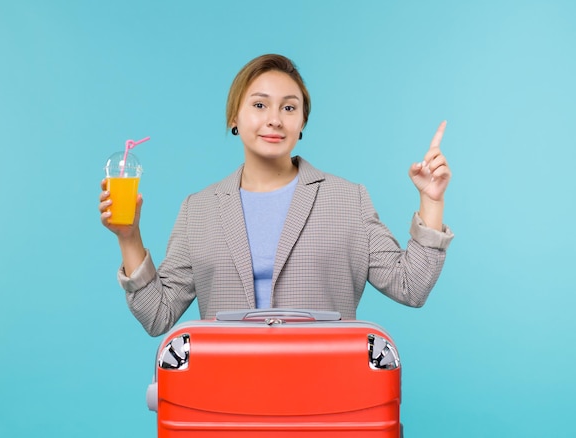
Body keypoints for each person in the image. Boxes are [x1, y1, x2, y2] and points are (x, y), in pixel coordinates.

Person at [99, 54, 454, 337]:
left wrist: (432, 200)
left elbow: (412, 287)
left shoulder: (348, 200)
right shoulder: (199, 209)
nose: (275, 119)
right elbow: (157, 316)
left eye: (289, 107)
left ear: (302, 123)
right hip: (228, 399)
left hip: (325, 397)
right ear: (234, 117)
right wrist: (129, 238)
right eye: (259, 105)